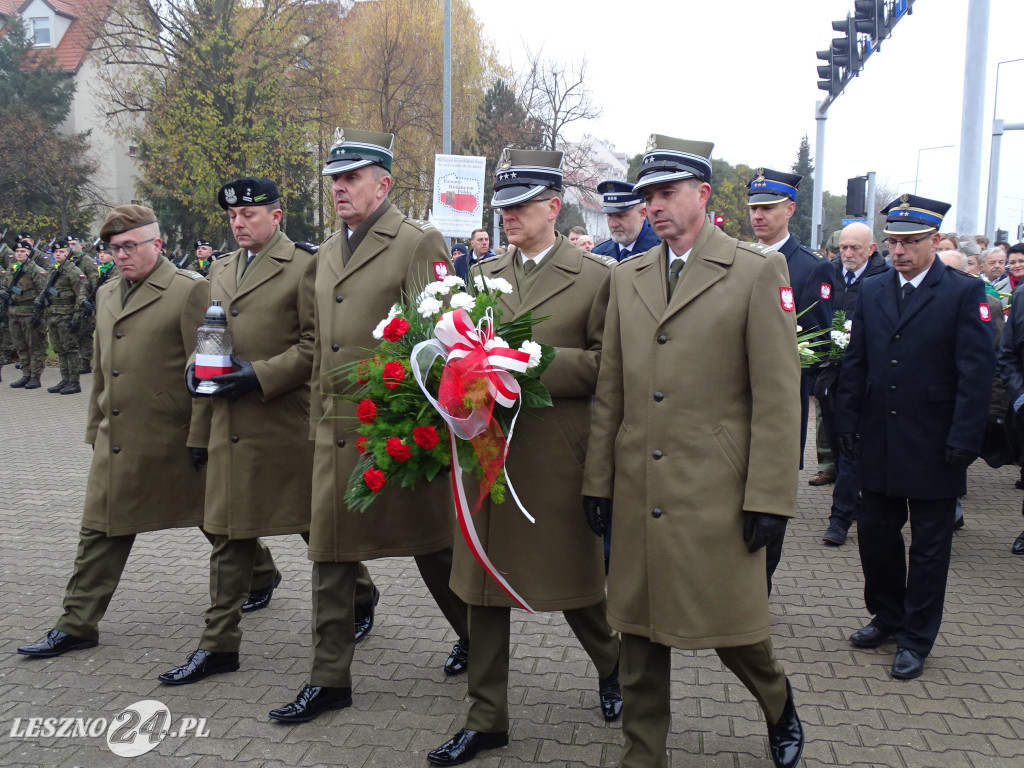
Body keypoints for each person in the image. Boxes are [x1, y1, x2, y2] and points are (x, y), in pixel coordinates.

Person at [582, 134, 804, 768]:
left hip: (716, 490)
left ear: (703, 195)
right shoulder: (628, 277)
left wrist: (769, 497)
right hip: (638, 486)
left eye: (668, 192)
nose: (655, 205)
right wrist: (598, 480)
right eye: (648, 194)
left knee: (732, 627)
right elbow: (612, 391)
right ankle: (642, 752)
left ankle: (778, 702)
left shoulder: (755, 270)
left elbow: (779, 397)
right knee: (640, 629)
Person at [15, 205, 282, 661]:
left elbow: (207, 368)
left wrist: (201, 437)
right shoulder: (107, 293)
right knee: (100, 527)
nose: (120, 256)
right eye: (113, 249)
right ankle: (77, 622)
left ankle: (260, 572)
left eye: (129, 247)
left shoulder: (190, 291)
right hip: (119, 436)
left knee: (216, 520)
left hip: (174, 437)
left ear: (156, 244)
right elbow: (102, 368)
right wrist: (95, 426)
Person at [428, 149, 620, 766]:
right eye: (502, 207)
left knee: (574, 583)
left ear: (552, 207)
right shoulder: (482, 274)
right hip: (488, 450)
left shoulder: (596, 279)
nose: (508, 216)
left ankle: (613, 665)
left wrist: (532, 361)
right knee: (484, 582)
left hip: (555, 453)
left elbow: (606, 367)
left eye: (520, 206)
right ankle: (487, 718)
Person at [270, 128, 469, 724]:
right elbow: (317, 338)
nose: (339, 188)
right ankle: (329, 677)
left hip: (394, 430)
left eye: (351, 177)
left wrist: (412, 416)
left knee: (430, 545)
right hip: (335, 427)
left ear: (383, 184)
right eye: (334, 178)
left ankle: (477, 634)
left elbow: (440, 336)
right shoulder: (328, 250)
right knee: (329, 552)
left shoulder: (416, 241)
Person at [158, 177, 336, 685]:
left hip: (281, 421)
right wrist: (197, 366)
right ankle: (218, 644)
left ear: (276, 216)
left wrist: (258, 374)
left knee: (312, 526)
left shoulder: (305, 265)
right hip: (228, 421)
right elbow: (209, 333)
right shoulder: (221, 267)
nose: (239, 223)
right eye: (233, 217)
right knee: (230, 534)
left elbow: (313, 346)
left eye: (250, 215)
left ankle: (361, 594)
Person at [834, 194, 994, 681]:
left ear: (933, 240)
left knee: (928, 547)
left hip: (934, 440)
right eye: (893, 241)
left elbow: (976, 371)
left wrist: (965, 438)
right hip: (880, 434)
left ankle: (917, 636)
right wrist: (846, 422)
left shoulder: (962, 292)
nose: (898, 251)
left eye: (909, 242)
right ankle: (887, 615)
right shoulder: (875, 290)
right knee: (876, 536)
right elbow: (857, 362)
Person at [747, 167, 835, 591]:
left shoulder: (809, 268)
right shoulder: (738, 260)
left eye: (767, 208)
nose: (758, 216)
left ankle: (760, 586)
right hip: (734, 399)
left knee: (772, 490)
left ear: (790, 209)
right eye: (753, 208)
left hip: (782, 397)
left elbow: (817, 341)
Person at [818, 223, 891, 545]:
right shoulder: (827, 274)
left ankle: (840, 517)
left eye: (855, 248)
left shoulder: (882, 281)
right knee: (836, 440)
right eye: (843, 247)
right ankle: (854, 500)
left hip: (862, 377)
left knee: (850, 447)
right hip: (828, 373)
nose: (847, 254)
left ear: (871, 249)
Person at [43, 238, 88, 395]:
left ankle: (74, 382)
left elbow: (81, 295)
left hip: (67, 316)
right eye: (55, 252)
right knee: (60, 350)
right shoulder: (51, 270)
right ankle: (65, 379)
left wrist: (76, 318)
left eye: (62, 251)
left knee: (71, 349)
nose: (58, 254)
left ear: (68, 253)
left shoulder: (73, 271)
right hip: (52, 315)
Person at [4, 240, 50, 389]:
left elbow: (43, 291)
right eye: (17, 251)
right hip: (13, 313)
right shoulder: (12, 268)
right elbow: (5, 286)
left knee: (34, 346)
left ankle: (35, 377)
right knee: (20, 346)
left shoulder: (35, 270)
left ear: (29, 253)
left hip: (29, 312)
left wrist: (38, 310)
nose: (19, 253)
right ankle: (25, 375)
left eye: (23, 251)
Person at [591, 180, 661, 263]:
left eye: (620, 216)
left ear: (642, 214)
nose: (613, 224)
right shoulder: (598, 254)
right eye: (609, 215)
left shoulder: (662, 251)